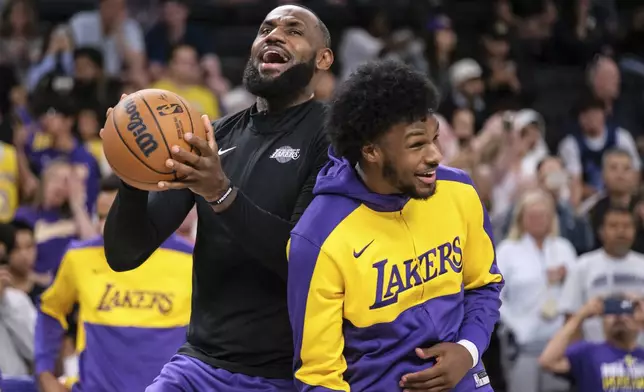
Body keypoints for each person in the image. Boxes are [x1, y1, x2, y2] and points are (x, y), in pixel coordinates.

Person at [102, 4, 333, 391]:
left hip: (287, 372)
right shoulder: (214, 137)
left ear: (323, 58)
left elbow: (304, 262)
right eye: (265, 29)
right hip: (199, 365)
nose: (274, 35)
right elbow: (124, 254)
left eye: (293, 31)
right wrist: (132, 170)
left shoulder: (330, 138)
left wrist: (221, 194)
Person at [287, 60, 503, 391]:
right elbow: (318, 375)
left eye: (435, 139)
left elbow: (483, 285)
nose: (435, 156)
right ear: (371, 151)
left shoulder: (459, 190)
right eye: (417, 145)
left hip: (465, 378)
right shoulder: (318, 238)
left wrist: (468, 350)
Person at [34, 175, 193, 392]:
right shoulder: (79, 257)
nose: (105, 225)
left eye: (112, 215)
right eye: (100, 217)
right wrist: (45, 374)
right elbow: (50, 310)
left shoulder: (191, 259)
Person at [539, 296, 644, 391]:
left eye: (626, 313)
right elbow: (548, 361)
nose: (619, 317)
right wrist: (579, 317)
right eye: (611, 312)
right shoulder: (587, 352)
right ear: (602, 321)